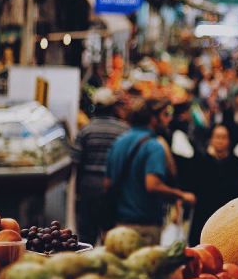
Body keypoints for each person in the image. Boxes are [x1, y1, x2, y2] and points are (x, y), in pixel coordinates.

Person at [105, 98, 196, 245]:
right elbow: (153, 185)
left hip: (119, 226)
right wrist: (181, 195)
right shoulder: (154, 146)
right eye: (165, 115)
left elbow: (107, 183)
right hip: (145, 227)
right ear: (153, 119)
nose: (169, 119)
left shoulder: (119, 142)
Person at [71, 88, 129, 245]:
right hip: (115, 188)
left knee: (87, 235)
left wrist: (76, 192)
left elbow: (75, 162)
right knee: (111, 235)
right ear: (113, 107)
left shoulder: (86, 130)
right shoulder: (123, 130)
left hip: (89, 186)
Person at [188, 125, 238, 246]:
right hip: (203, 217)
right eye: (217, 137)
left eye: (224, 137)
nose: (220, 140)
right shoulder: (201, 161)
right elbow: (191, 187)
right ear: (211, 139)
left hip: (228, 218)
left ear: (229, 141)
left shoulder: (236, 163)